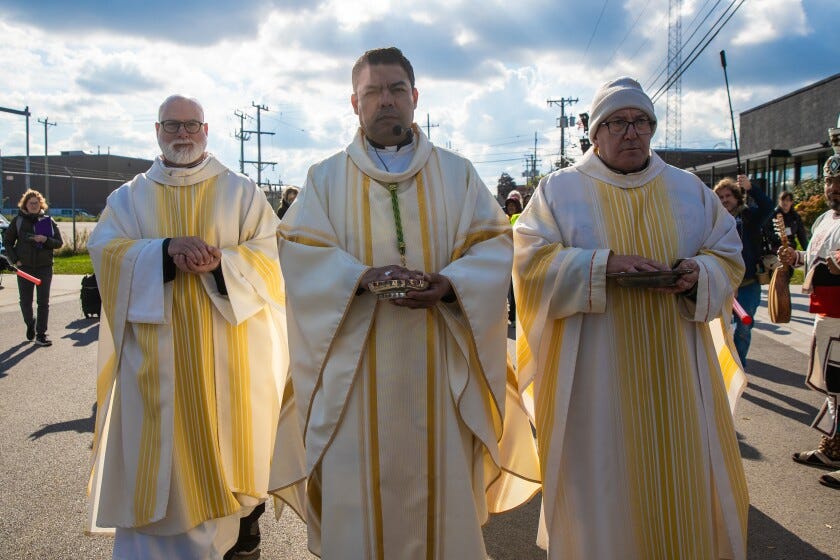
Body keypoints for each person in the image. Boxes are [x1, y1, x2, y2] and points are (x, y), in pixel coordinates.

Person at [273, 47, 539, 559]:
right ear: (354, 103)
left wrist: (451, 284)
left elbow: (492, 245)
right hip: (356, 378)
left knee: (439, 499)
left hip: (440, 371)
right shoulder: (325, 179)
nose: (385, 101)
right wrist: (359, 277)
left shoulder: (459, 175)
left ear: (415, 98)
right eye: (372, 91)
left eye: (396, 89)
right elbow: (298, 250)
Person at [514, 77, 749, 559]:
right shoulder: (560, 191)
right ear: (596, 133)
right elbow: (529, 264)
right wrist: (602, 265)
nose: (632, 133)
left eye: (642, 122)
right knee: (602, 491)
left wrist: (696, 273)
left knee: (681, 483)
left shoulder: (688, 190)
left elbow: (728, 256)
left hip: (678, 376)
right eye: (618, 123)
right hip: (592, 383)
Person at [86, 94, 289, 560]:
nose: (183, 134)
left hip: (229, 362)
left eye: (192, 126)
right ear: (156, 131)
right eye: (173, 125)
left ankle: (238, 541)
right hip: (153, 369)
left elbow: (274, 255)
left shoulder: (240, 192)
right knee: (158, 476)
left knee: (227, 467)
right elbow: (105, 254)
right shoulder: (130, 197)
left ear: (207, 130)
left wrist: (223, 264)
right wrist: (161, 252)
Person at [780, 153, 840, 490]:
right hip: (827, 313)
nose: (833, 187)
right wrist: (797, 257)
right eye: (830, 181)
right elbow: (816, 258)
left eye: (839, 182)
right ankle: (833, 448)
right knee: (834, 385)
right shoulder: (823, 220)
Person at [714, 174, 774, 366]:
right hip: (723, 284)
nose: (724, 201)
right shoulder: (715, 220)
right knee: (721, 328)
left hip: (748, 285)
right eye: (720, 197)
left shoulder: (748, 216)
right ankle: (724, 365)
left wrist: (751, 188)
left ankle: (738, 365)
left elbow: (768, 207)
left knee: (743, 328)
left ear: (736, 196)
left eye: (727, 196)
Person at [2, 189, 63, 346]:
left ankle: (41, 334)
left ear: (40, 204)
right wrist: (16, 260)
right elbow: (7, 242)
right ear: (25, 205)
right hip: (25, 268)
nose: (34, 205)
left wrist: (45, 239)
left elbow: (59, 242)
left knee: (43, 302)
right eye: (31, 203)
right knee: (25, 301)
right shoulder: (18, 221)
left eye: (37, 203)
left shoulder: (47, 221)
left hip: (44, 267)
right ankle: (30, 323)